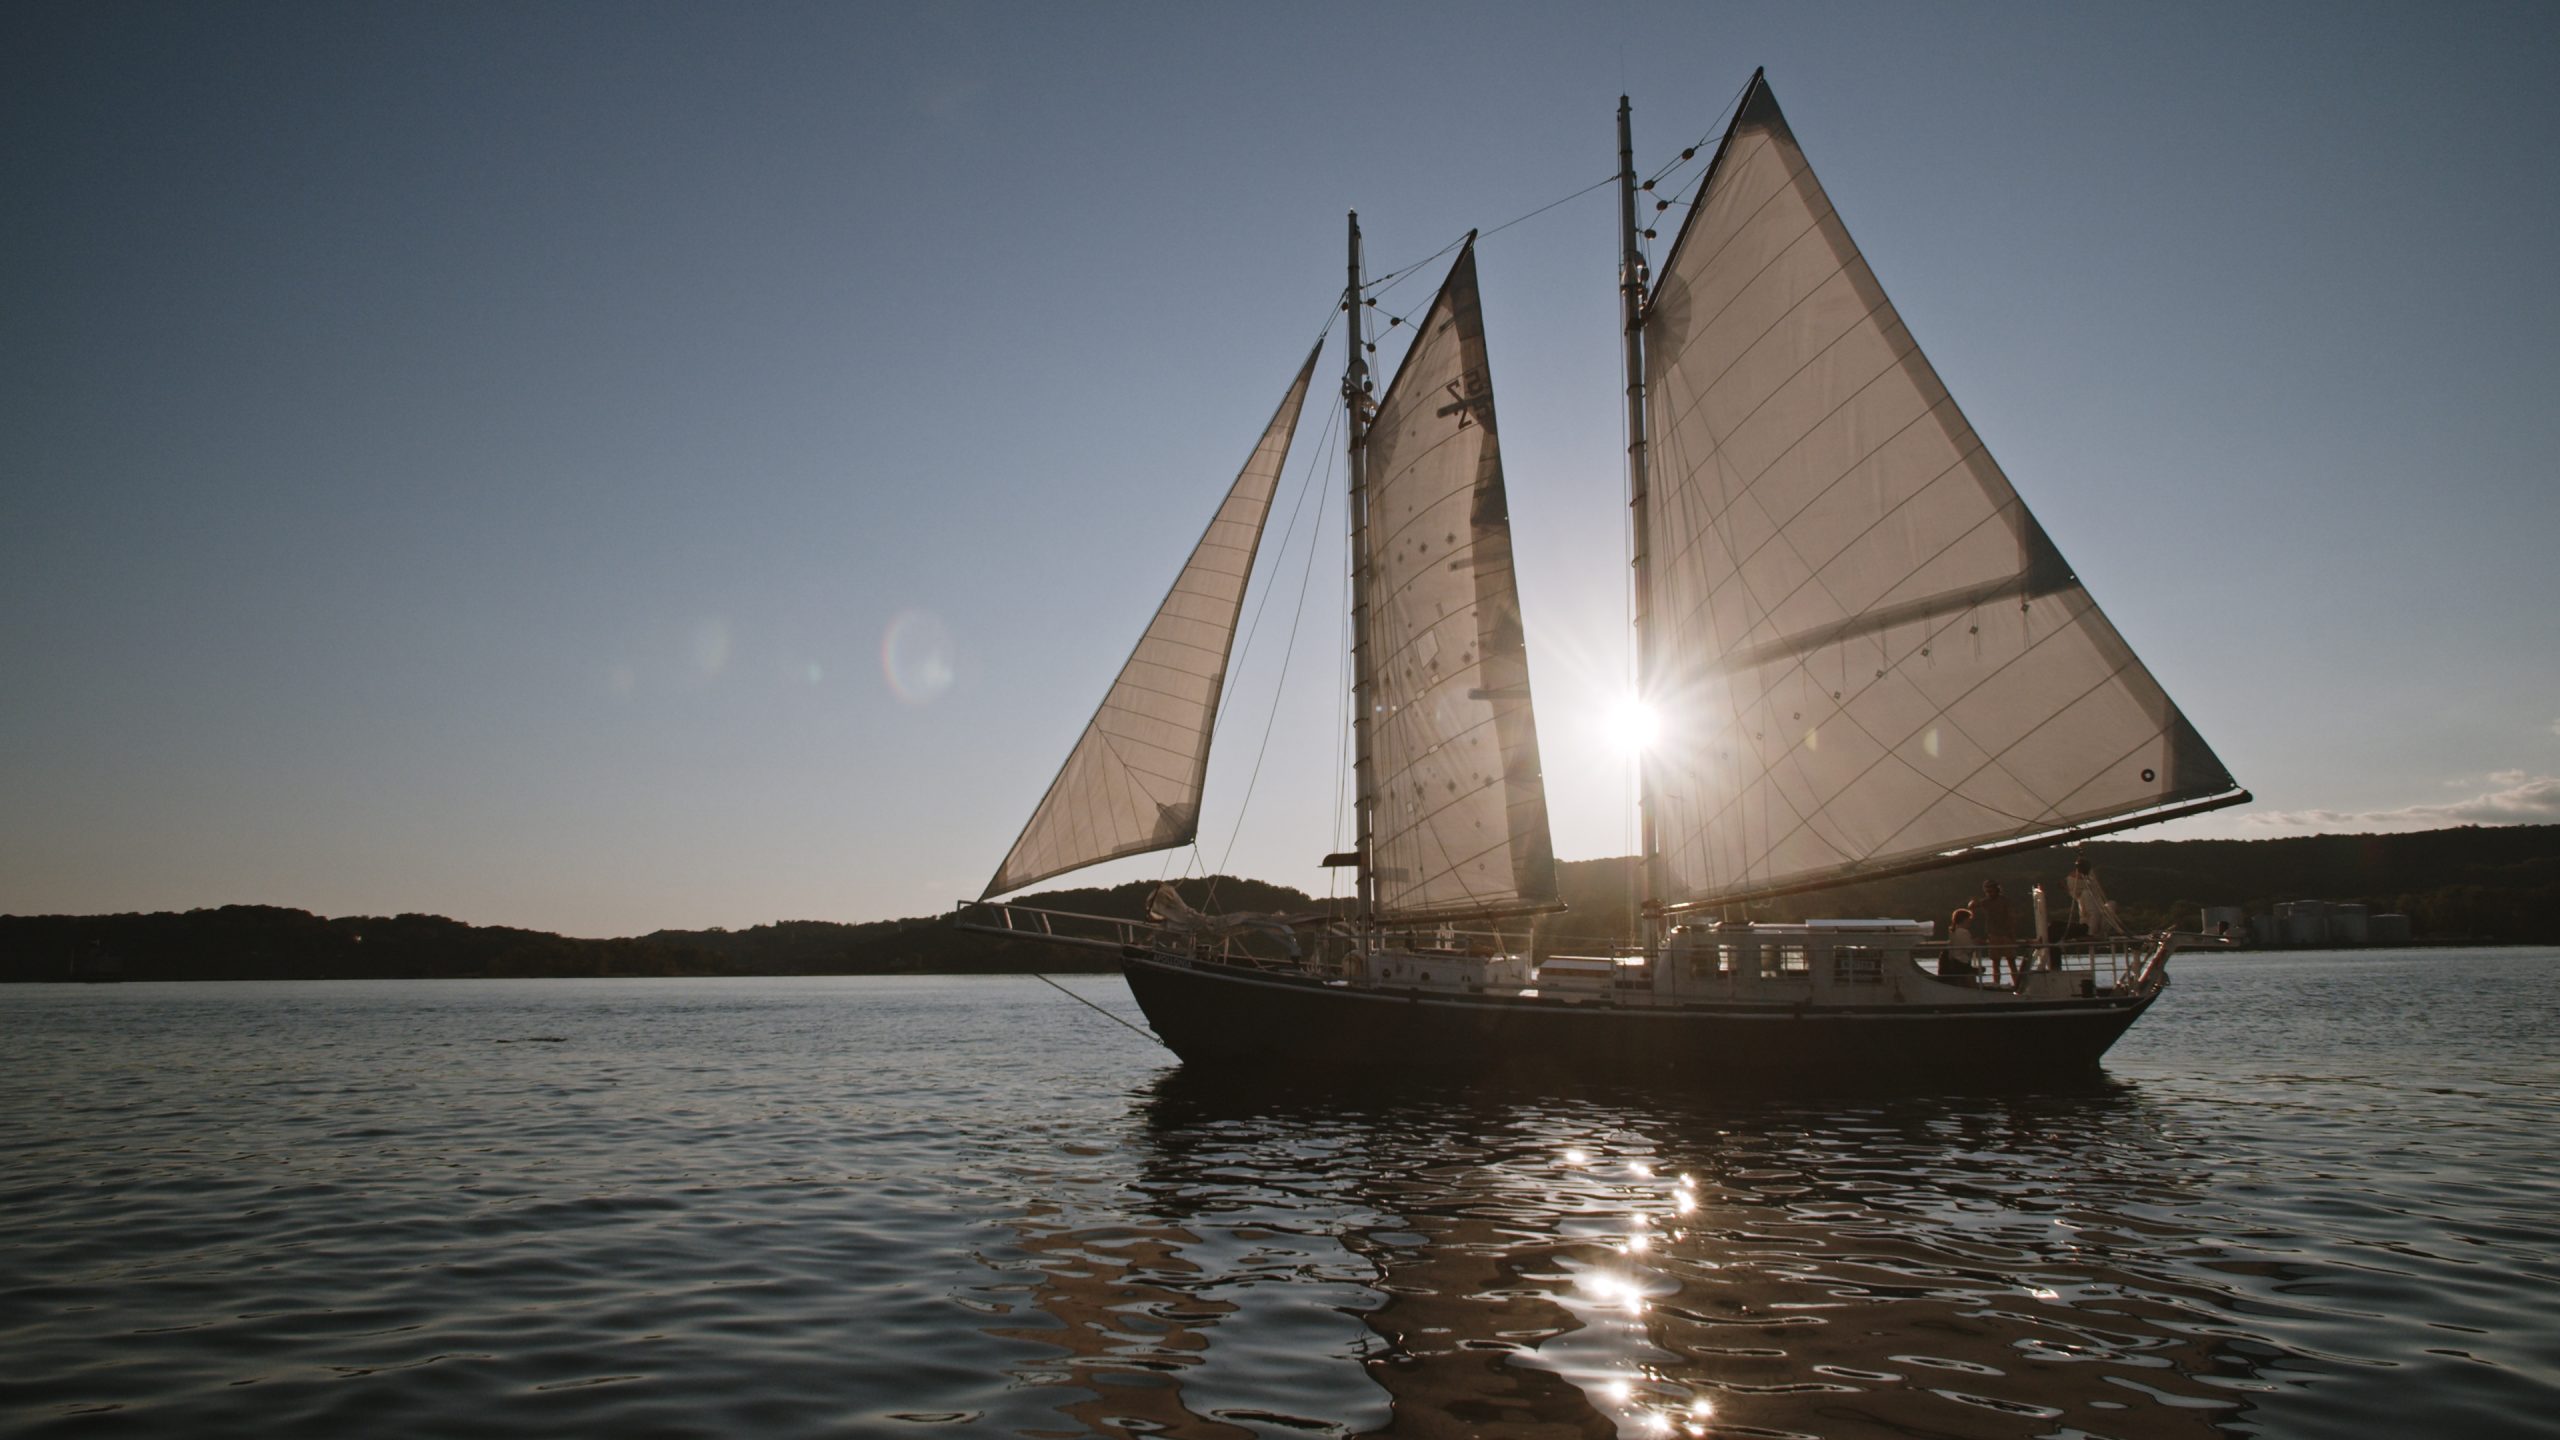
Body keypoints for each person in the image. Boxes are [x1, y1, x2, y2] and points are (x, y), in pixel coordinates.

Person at [2067, 856, 2123, 938]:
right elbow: (2075, 893)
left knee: (2112, 904)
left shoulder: (2091, 877)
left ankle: (2102, 933)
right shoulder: (2078, 885)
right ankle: (2091, 934)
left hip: (2100, 917)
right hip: (2088, 921)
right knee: (2093, 909)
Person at [1976, 880, 2018, 986]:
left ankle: (2017, 984)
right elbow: (1972, 906)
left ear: (1996, 889)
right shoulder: (1985, 902)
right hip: (1993, 935)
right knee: (1995, 962)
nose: (1989, 893)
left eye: (1991, 890)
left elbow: (2011, 917)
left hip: (2006, 934)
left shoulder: (2005, 901)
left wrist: (2012, 934)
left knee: (2011, 961)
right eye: (1987, 891)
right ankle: (1996, 984)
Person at [1940, 907, 1977, 980]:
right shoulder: (1963, 932)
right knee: (1972, 973)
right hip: (1961, 962)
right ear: (1964, 920)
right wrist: (1976, 943)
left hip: (1955, 961)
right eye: (1969, 920)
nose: (1970, 923)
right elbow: (1969, 949)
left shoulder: (1953, 932)